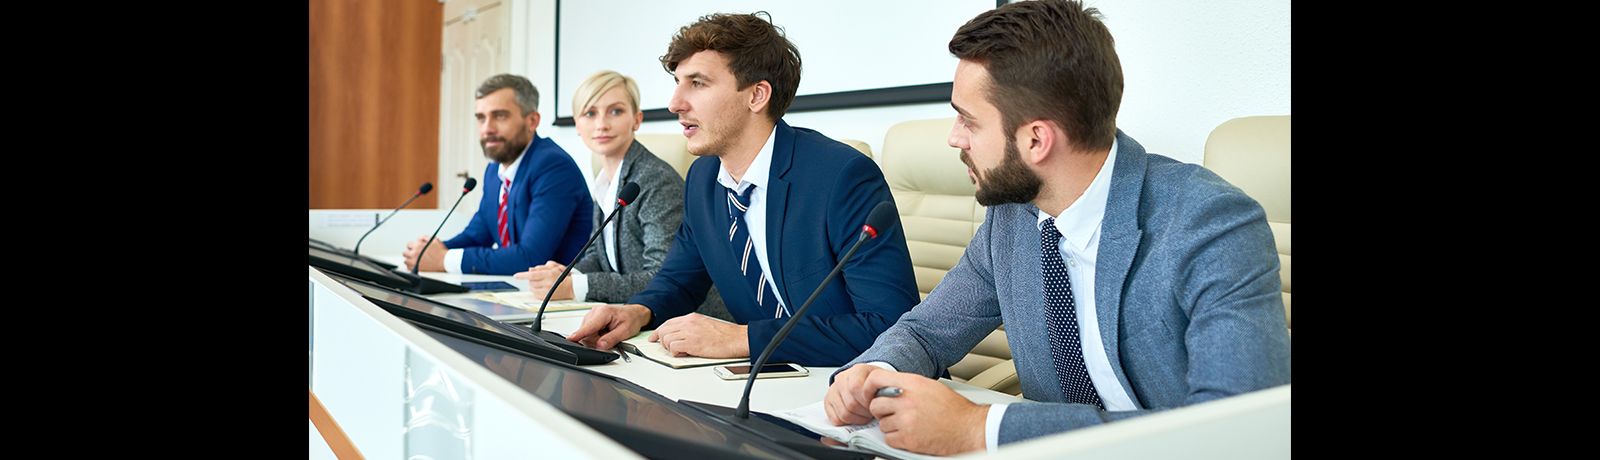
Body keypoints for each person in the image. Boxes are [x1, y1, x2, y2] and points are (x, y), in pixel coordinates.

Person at [820, 0, 1292, 455]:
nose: (953, 137)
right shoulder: (1013, 217)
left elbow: (1237, 427)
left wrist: (978, 428)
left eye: (968, 119)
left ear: (1036, 139)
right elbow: (927, 332)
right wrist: (872, 373)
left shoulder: (1210, 225)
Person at [563, 12, 920, 367]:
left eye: (697, 83)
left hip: (867, 386)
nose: (675, 103)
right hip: (769, 383)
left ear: (757, 95)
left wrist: (741, 337)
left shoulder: (841, 176)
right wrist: (637, 312)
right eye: (677, 82)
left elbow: (889, 326)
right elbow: (678, 281)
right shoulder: (703, 179)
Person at [514, 70, 730, 322]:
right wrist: (566, 275)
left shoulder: (654, 179)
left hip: (690, 323)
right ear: (577, 124)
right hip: (634, 318)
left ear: (636, 120)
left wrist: (577, 286)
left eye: (615, 111)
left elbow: (661, 277)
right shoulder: (605, 180)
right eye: (590, 113)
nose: (601, 124)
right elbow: (598, 255)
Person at [403, 74, 593, 276]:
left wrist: (444, 259)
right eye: (481, 118)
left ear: (532, 121)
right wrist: (431, 251)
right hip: (518, 292)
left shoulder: (553, 167)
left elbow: (530, 257)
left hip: (560, 299)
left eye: (500, 116)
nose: (487, 129)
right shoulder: (495, 170)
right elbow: (477, 235)